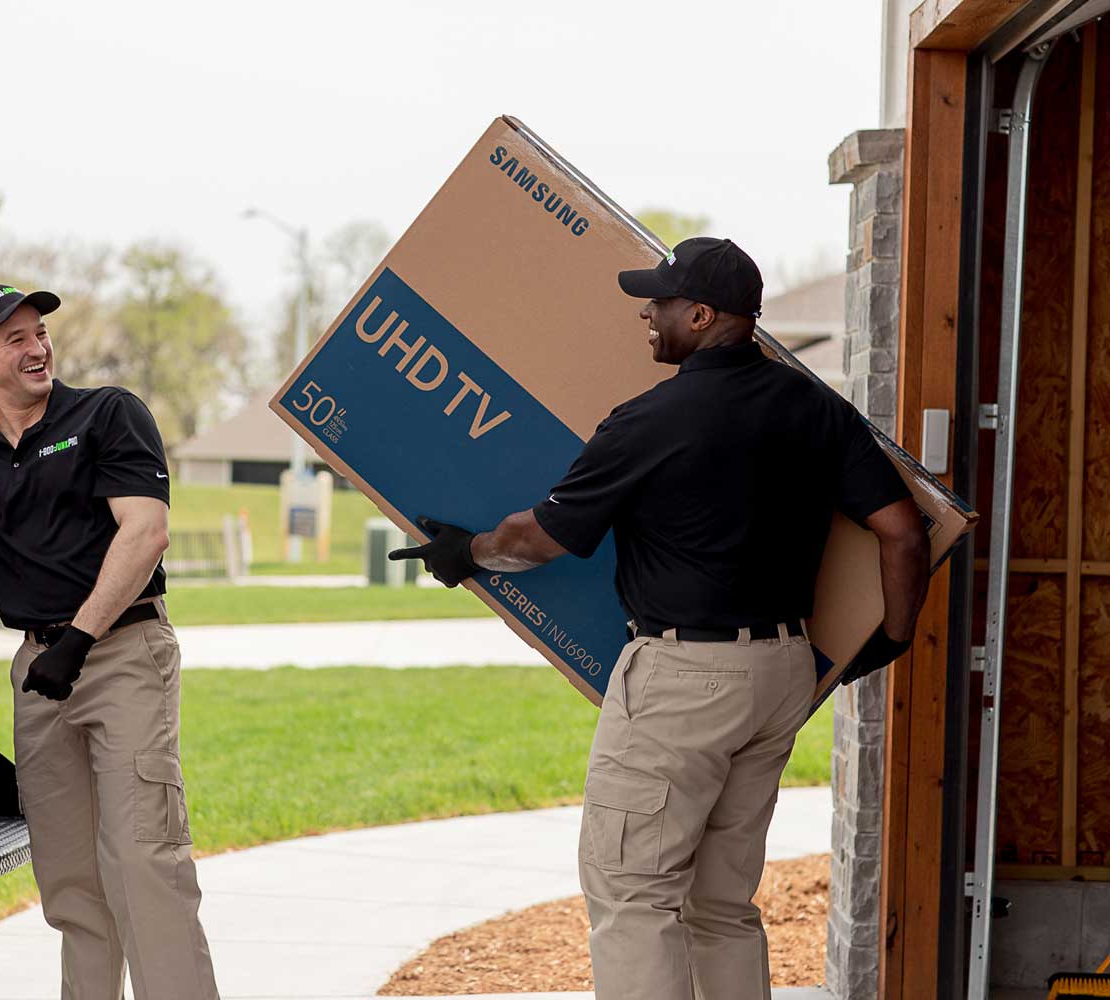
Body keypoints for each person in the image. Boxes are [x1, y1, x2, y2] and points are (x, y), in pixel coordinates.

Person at [388, 238, 930, 1000]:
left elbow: (537, 538)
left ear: (702, 316)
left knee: (632, 893)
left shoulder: (650, 420)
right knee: (721, 904)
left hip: (684, 681)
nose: (647, 313)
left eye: (661, 301)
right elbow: (903, 532)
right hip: (782, 669)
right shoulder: (816, 408)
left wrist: (466, 551)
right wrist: (893, 638)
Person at [0, 283, 219, 1000]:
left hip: (122, 653)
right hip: (39, 673)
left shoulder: (107, 414)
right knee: (70, 883)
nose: (37, 348)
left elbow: (146, 531)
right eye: (15, 339)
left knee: (144, 863)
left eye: (40, 334)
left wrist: (79, 640)